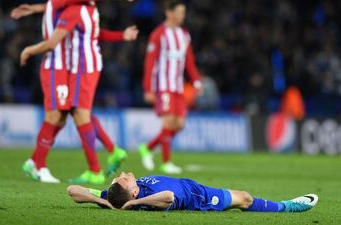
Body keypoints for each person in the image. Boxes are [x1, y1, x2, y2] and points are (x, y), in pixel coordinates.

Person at [17, 0, 138, 184]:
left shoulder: (78, 7)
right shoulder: (77, 7)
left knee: (70, 114)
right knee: (62, 114)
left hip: (74, 67)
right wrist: (35, 10)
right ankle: (39, 164)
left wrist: (29, 48)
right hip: (57, 66)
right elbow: (54, 28)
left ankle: (37, 161)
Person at [140, 0, 203, 174]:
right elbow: (150, 63)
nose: (182, 16)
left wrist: (196, 81)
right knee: (168, 122)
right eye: (179, 12)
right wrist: (148, 89)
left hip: (178, 86)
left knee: (179, 124)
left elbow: (189, 60)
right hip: (163, 86)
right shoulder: (158, 34)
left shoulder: (184, 35)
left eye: (183, 12)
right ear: (169, 13)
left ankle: (148, 148)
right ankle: (166, 162)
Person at [67, 171, 319, 212]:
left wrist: (106, 203)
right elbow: (168, 197)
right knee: (244, 198)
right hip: (200, 196)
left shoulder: (112, 196)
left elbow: (72, 190)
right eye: (123, 179)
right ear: (133, 194)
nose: (123, 175)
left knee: (243, 197)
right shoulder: (144, 200)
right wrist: (133, 206)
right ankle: (288, 207)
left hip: (191, 184)